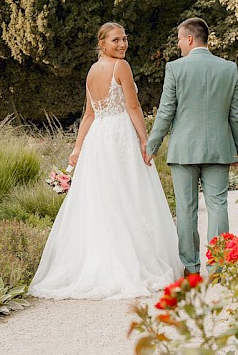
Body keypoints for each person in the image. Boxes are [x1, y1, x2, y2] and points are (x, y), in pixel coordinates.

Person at [28, 22, 184, 299]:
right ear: (103, 44)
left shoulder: (91, 71)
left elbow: (89, 114)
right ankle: (129, 262)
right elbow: (132, 106)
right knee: (129, 195)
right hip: (119, 136)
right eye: (116, 40)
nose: (122, 44)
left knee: (105, 199)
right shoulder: (120, 67)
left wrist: (78, 148)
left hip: (98, 138)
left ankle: (103, 260)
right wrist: (145, 140)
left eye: (124, 39)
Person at [145, 18, 238, 275]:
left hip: (185, 149)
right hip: (220, 148)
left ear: (190, 38)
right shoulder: (229, 68)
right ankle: (219, 266)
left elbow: (166, 111)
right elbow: (236, 114)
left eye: (179, 39)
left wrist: (152, 144)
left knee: (186, 209)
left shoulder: (176, 69)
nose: (178, 45)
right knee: (218, 206)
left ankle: (191, 268)